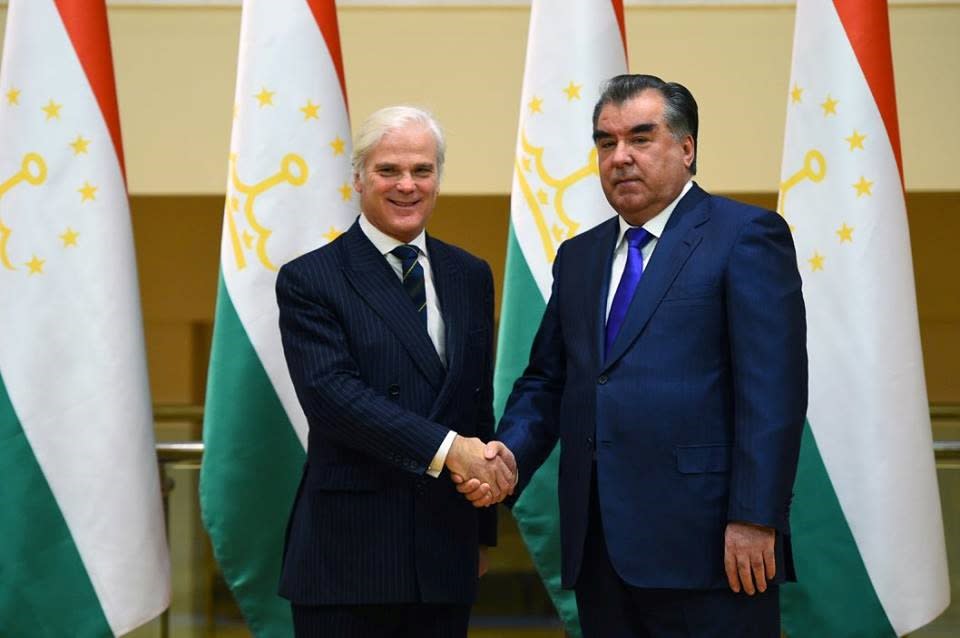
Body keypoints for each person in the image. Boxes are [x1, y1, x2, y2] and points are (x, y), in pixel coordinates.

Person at [461, 74, 808, 637]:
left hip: (713, 546)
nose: (620, 157)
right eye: (606, 142)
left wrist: (755, 515)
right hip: (601, 547)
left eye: (641, 138)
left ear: (687, 147)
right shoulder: (580, 256)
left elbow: (774, 391)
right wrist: (508, 459)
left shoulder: (746, 235)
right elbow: (550, 382)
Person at [276, 105, 516, 638]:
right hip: (350, 556)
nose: (407, 185)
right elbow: (335, 398)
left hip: (444, 550)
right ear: (359, 178)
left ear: (438, 179)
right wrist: (451, 450)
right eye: (389, 171)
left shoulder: (470, 275)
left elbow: (473, 405)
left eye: (422, 171)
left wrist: (480, 530)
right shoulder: (311, 278)